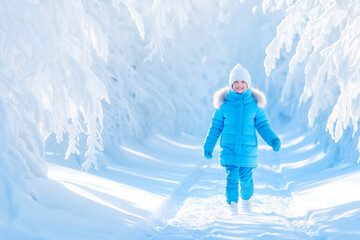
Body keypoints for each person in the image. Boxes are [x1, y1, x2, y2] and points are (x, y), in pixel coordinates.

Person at [203, 63, 281, 215]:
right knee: (231, 178)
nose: (239, 85)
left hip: (247, 151)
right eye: (236, 82)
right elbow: (215, 128)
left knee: (246, 180)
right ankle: (232, 206)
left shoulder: (254, 105)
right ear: (231, 84)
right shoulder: (223, 104)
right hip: (229, 150)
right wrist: (208, 146)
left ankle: (246, 201)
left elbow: (263, 126)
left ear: (248, 84)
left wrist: (273, 140)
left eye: (242, 82)